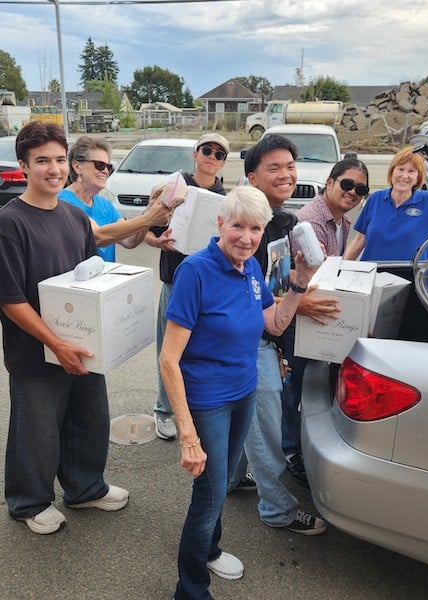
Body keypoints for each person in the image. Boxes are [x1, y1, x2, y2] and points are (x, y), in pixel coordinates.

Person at [159, 185, 320, 600]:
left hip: (243, 393)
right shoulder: (195, 271)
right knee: (209, 495)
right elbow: (168, 360)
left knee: (217, 491)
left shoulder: (249, 267)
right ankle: (190, 591)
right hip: (207, 401)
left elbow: (274, 324)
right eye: (237, 227)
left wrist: (299, 285)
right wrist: (188, 436)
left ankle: (210, 550)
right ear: (220, 224)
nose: (245, 237)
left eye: (254, 229)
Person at [0, 122, 128, 537]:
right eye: (42, 161)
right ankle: (29, 501)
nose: (53, 169)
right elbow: (10, 299)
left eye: (60, 160)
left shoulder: (76, 219)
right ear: (23, 166)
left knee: (89, 420)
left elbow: (91, 279)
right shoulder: (8, 223)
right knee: (37, 431)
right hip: (36, 351)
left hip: (83, 345)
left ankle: (85, 488)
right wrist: (55, 342)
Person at [229, 134, 338, 535]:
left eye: (290, 166)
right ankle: (277, 509)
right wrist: (301, 303)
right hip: (248, 343)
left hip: (270, 338)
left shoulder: (286, 221)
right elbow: (245, 297)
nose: (285, 174)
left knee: (249, 422)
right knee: (266, 428)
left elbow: (285, 282)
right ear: (252, 177)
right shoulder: (245, 228)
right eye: (273, 167)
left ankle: (228, 480)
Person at [283, 157, 370, 482]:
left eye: (360, 189)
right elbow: (316, 276)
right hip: (298, 319)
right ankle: (289, 453)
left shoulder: (343, 224)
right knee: (291, 392)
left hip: (321, 322)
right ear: (330, 182)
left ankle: (298, 447)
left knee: (311, 390)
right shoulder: (309, 220)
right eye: (347, 184)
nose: (353, 193)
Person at [144, 132, 228, 441]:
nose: (212, 157)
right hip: (174, 279)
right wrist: (160, 242)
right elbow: (147, 232)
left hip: (207, 286)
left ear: (223, 163)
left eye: (219, 155)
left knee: (198, 349)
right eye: (207, 150)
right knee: (167, 349)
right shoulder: (174, 187)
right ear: (195, 154)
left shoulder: (225, 197)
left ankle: (189, 406)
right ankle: (164, 410)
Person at [60, 135, 172, 261]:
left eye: (108, 167)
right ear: (77, 166)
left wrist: (151, 208)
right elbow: (97, 236)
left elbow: (130, 240)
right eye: (99, 165)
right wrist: (149, 218)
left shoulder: (105, 205)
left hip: (105, 280)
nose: (106, 171)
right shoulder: (63, 202)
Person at [344, 145, 428, 261]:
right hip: (372, 275)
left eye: (411, 171)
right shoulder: (375, 199)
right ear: (392, 172)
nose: (404, 176)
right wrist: (340, 268)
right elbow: (360, 239)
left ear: (418, 177)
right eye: (400, 169)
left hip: (408, 278)